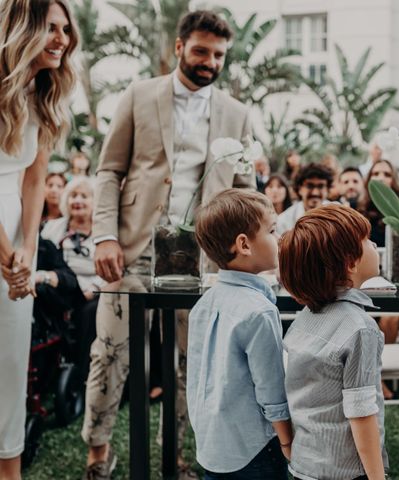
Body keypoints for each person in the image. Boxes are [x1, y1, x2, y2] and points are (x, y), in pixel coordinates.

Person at [85, 11, 253, 479]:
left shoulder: (237, 114)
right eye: (201, 51)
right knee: (111, 352)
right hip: (132, 250)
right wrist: (104, 235)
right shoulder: (138, 95)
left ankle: (175, 456)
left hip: (201, 259)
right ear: (179, 47)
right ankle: (97, 452)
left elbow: (244, 189)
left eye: (218, 54)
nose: (210, 62)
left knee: (189, 362)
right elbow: (108, 171)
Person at [0, 1, 77, 477]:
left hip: (17, 239)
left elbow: (33, 179)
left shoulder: (42, 92)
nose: (62, 39)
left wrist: (27, 249)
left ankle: (10, 470)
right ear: (21, 29)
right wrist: (6, 256)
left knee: (10, 362)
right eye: (50, 28)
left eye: (66, 30)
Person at [188, 189, 292, 479]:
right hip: (254, 448)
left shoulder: (204, 304)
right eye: (272, 230)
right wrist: (287, 440)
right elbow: (271, 390)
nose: (279, 238)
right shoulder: (259, 311)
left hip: (212, 446)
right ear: (244, 244)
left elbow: (196, 376)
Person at [280, 204, 387, 480]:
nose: (374, 244)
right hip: (346, 471)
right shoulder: (361, 328)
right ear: (350, 262)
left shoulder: (305, 317)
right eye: (367, 241)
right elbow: (361, 414)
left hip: (305, 465)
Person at [40, 176, 103, 380]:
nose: (78, 200)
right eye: (73, 195)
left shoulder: (102, 231)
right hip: (59, 288)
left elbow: (112, 268)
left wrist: (95, 287)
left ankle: (82, 373)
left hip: (90, 291)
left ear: (94, 202)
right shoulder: (53, 228)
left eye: (84, 196)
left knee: (91, 313)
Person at [276, 163, 333, 235]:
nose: (315, 193)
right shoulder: (283, 222)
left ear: (327, 189)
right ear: (299, 188)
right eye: (310, 186)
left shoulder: (337, 213)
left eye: (320, 186)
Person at [359, 159, 399, 247]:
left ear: (394, 180)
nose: (380, 178)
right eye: (375, 174)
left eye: (387, 175)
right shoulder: (356, 208)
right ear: (369, 179)